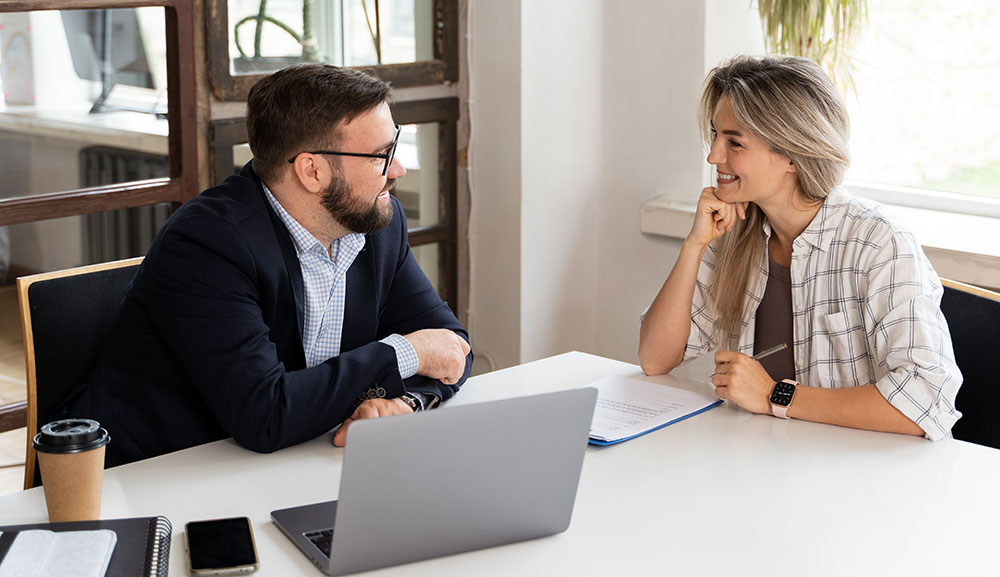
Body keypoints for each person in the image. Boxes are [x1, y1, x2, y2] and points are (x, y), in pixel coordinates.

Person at [62, 64, 473, 466]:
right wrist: (406, 352)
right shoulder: (206, 244)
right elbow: (265, 414)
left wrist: (404, 401)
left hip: (292, 459)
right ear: (312, 170)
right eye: (381, 156)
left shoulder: (378, 223)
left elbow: (452, 347)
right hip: (154, 478)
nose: (396, 170)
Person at [638, 55, 961, 440]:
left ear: (791, 154)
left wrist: (775, 395)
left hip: (865, 477)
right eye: (715, 135)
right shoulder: (737, 234)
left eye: (734, 142)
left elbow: (926, 402)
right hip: (769, 463)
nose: (713, 156)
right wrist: (694, 245)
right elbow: (655, 359)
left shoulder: (878, 242)